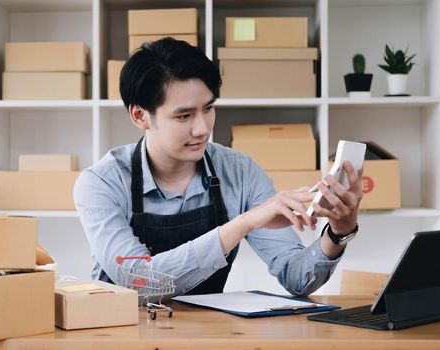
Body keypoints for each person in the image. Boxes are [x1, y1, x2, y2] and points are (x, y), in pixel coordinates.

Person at [73, 38, 361, 296]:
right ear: (140, 115)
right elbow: (139, 281)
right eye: (184, 116)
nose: (202, 129)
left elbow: (297, 277)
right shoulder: (101, 183)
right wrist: (243, 223)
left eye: (208, 108)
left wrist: (337, 232)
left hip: (208, 333)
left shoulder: (240, 172)